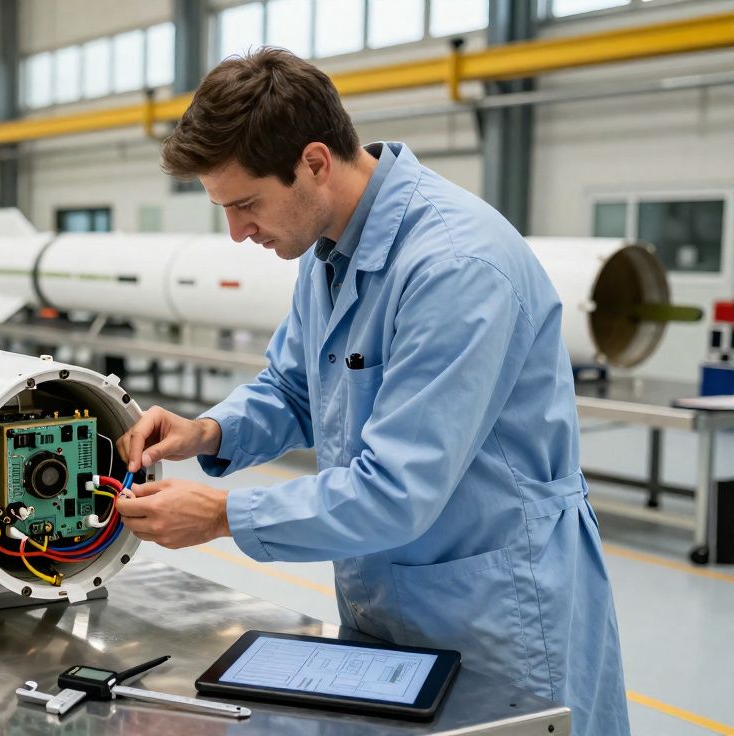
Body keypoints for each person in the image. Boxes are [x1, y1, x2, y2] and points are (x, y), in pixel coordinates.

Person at [114, 48, 628, 734]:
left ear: (315, 163)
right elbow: (297, 388)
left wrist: (220, 516)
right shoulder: (330, 251)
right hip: (390, 603)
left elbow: (397, 490)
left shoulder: (452, 267)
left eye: (245, 205)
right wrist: (207, 431)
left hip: (494, 612)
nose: (238, 233)